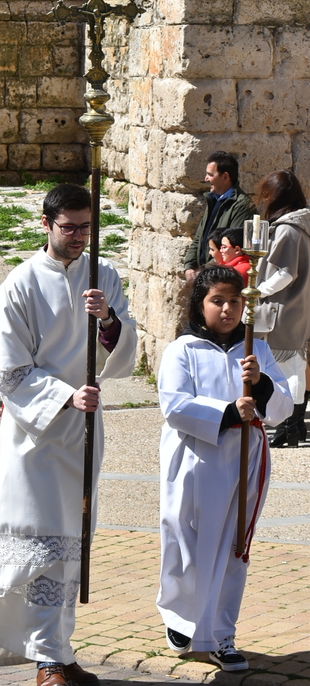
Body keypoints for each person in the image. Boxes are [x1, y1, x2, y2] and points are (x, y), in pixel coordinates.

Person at [0, 183, 137, 682]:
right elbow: (9, 372)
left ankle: (60, 647)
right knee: (39, 547)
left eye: (87, 227)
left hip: (83, 433)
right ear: (45, 224)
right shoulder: (19, 285)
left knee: (74, 543)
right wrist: (65, 396)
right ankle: (44, 660)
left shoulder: (105, 276)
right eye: (69, 227)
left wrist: (109, 323)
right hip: (34, 439)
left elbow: (123, 354)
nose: (79, 237)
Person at [156, 264, 292, 669]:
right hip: (195, 460)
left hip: (241, 462)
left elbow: (283, 407)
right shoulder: (183, 349)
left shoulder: (257, 349)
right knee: (185, 543)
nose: (228, 309)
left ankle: (220, 634)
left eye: (235, 301)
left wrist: (263, 384)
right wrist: (230, 412)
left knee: (233, 547)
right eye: (218, 301)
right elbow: (175, 406)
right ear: (200, 305)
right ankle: (181, 617)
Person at [253, 170, 310, 447]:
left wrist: (257, 291)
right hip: (296, 306)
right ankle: (294, 426)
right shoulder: (300, 223)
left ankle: (290, 424)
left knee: (289, 367)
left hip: (283, 307)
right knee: (295, 366)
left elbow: (285, 273)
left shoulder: (288, 228)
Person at [184, 152, 255, 283]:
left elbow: (231, 247)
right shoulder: (213, 200)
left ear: (225, 176)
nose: (206, 179)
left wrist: (204, 272)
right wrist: (189, 267)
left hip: (220, 277)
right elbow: (200, 237)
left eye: (210, 175)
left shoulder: (242, 206)